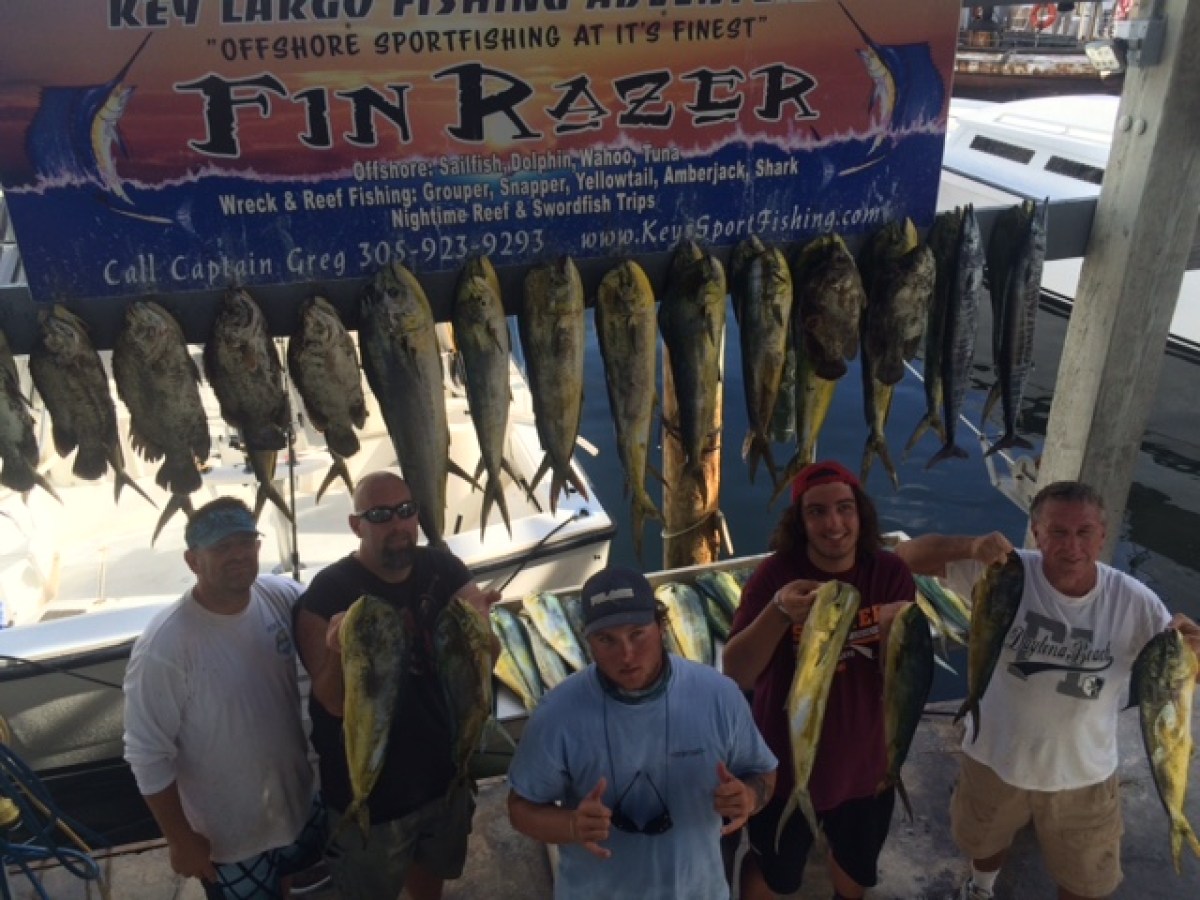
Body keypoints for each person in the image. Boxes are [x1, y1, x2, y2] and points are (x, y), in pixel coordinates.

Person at [894, 480, 1200, 900]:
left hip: (1084, 775)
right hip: (994, 757)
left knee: (1084, 880)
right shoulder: (1004, 572)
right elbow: (905, 557)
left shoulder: (1136, 603)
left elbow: (1182, 677)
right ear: (1037, 533)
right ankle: (980, 888)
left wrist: (1194, 650)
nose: (1071, 546)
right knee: (983, 844)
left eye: (1084, 532)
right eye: (1057, 532)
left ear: (1102, 536)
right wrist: (969, 546)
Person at [506, 565, 778, 900]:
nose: (627, 655)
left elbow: (764, 772)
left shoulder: (719, 695)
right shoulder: (556, 714)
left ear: (661, 626)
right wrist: (571, 825)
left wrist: (749, 797)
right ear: (587, 639)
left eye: (637, 633)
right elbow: (521, 808)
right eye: (607, 640)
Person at [294, 470, 500, 900]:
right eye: (381, 515)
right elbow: (331, 702)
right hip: (372, 795)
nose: (398, 524)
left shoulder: (443, 567)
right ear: (356, 525)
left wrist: (483, 636)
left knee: (431, 883)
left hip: (444, 777)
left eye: (406, 511)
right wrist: (336, 650)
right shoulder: (326, 593)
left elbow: (485, 664)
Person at [722, 459, 916, 900]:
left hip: (866, 766)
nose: (834, 523)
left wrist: (898, 637)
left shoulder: (888, 574)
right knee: (774, 872)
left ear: (860, 513)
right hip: (782, 767)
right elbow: (736, 670)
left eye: (845, 508)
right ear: (800, 522)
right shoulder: (776, 577)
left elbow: (899, 677)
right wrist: (778, 611)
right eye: (817, 511)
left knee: (855, 867)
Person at [123, 497, 325, 900]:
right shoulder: (165, 645)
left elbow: (342, 612)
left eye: (245, 542)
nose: (237, 555)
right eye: (221, 547)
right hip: (228, 837)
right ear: (192, 561)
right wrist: (180, 839)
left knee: (281, 882)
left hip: (294, 805)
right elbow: (146, 753)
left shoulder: (280, 596)